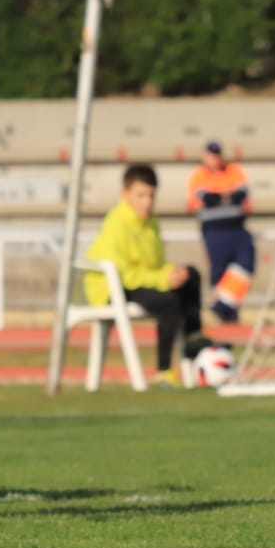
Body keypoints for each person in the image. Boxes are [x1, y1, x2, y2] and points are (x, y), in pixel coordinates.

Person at [85, 164, 214, 385]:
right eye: (140, 195)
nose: (146, 202)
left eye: (151, 196)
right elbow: (123, 274)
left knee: (191, 275)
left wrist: (172, 273)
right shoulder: (116, 224)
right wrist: (163, 279)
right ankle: (164, 370)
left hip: (138, 282)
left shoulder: (151, 222)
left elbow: (154, 263)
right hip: (110, 288)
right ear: (124, 194)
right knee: (169, 301)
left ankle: (194, 341)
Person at [184, 140, 255, 323]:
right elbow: (205, 197)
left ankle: (222, 305)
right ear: (204, 156)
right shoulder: (198, 175)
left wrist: (219, 197)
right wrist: (226, 197)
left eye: (217, 154)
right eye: (211, 154)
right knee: (219, 270)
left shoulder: (233, 170)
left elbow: (242, 193)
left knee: (246, 263)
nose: (215, 159)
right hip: (214, 230)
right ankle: (227, 314)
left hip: (237, 227)